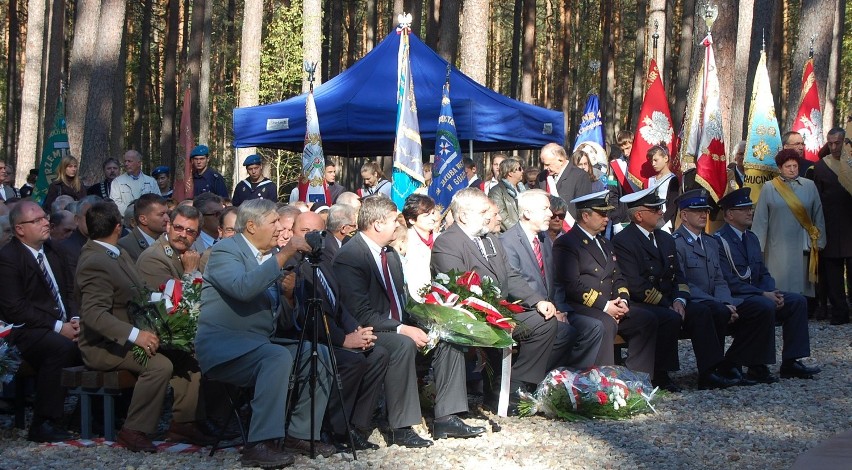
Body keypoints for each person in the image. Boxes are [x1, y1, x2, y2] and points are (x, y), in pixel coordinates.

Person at [196, 199, 335, 466]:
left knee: (317, 353)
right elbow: (243, 288)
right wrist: (285, 255)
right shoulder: (225, 251)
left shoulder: (271, 258)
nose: (280, 228)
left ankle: (300, 433)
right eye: (273, 222)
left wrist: (289, 296)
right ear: (251, 226)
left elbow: (281, 320)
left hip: (260, 343)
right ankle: (259, 444)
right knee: (276, 358)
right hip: (224, 347)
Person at [335, 196, 482, 446]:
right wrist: (404, 329)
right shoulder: (351, 256)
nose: (398, 225)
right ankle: (400, 426)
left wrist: (432, 320)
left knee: (447, 335)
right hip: (368, 331)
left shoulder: (390, 254)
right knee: (402, 344)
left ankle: (446, 416)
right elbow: (360, 312)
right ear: (378, 224)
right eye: (394, 220)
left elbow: (403, 302)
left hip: (395, 324)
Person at [76, 202, 213, 452]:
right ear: (119, 227)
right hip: (104, 344)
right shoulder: (95, 260)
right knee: (160, 365)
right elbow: (94, 314)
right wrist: (136, 335)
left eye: (190, 231)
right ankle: (134, 430)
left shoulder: (116, 253)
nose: (183, 235)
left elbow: (142, 293)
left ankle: (183, 422)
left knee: (187, 358)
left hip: (137, 332)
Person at [431, 188, 559, 414]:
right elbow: (459, 287)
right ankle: (496, 393)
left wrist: (537, 301)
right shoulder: (448, 242)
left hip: (500, 311)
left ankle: (514, 389)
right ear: (463, 216)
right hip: (471, 315)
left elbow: (510, 274)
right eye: (482, 212)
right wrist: (492, 313)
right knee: (498, 331)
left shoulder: (490, 239)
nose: (489, 217)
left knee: (545, 323)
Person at [613, 185, 740, 390]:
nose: (661, 212)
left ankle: (710, 371)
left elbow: (678, 276)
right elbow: (635, 283)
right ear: (638, 215)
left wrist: (679, 300)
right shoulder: (624, 240)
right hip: (644, 302)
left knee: (707, 310)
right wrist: (666, 304)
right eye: (655, 210)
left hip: (669, 300)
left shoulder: (664, 238)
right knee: (668, 318)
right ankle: (662, 375)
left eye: (660, 208)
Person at [282, 211, 388, 450]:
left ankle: (355, 425)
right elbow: (305, 317)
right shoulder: (291, 266)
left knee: (378, 353)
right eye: (304, 232)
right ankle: (333, 428)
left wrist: (358, 330)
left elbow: (338, 305)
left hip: (331, 332)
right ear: (292, 234)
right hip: (306, 339)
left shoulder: (322, 263)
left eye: (318, 233)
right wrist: (343, 340)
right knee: (351, 361)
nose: (311, 238)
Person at [673, 189, 779, 384]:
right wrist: (721, 304)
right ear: (684, 216)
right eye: (697, 211)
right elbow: (684, 283)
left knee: (761, 308)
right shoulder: (677, 243)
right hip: (696, 301)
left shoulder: (710, 242)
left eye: (705, 210)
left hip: (719, 300)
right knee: (715, 311)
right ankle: (714, 371)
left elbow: (720, 279)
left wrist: (726, 301)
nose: (704, 215)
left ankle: (735, 362)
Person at [714, 188, 821, 379]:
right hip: (737, 297)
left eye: (750, 208)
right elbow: (727, 280)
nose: (750, 212)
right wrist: (763, 294)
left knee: (797, 301)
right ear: (729, 214)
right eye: (744, 209)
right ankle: (756, 364)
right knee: (764, 305)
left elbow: (762, 272)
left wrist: (772, 291)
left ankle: (791, 361)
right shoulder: (719, 241)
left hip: (760, 293)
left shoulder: (752, 238)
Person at [553, 189, 660, 379]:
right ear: (585, 215)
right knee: (605, 323)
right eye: (601, 213)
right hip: (582, 307)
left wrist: (623, 301)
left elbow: (618, 277)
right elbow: (572, 284)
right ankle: (604, 382)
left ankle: (637, 379)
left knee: (647, 319)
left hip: (611, 304)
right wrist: (605, 306)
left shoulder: (605, 243)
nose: (607, 218)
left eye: (607, 213)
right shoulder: (568, 243)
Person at [0, 201, 83, 442]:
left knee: (100, 340)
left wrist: (75, 319)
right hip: (23, 331)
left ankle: (93, 415)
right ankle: (43, 422)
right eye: (36, 220)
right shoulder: (8, 258)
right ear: (20, 229)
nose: (46, 222)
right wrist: (59, 327)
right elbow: (16, 308)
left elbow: (70, 289)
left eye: (44, 217)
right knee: (59, 347)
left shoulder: (54, 249)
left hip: (62, 323)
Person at [501, 189, 603, 371]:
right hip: (526, 310)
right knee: (566, 332)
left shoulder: (543, 238)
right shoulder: (508, 241)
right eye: (545, 209)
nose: (550, 214)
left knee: (593, 327)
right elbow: (515, 283)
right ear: (527, 213)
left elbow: (556, 281)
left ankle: (570, 379)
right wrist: (545, 307)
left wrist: (561, 308)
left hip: (552, 308)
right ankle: (529, 380)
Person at [752, 149, 826, 299]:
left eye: (795, 166)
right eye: (788, 166)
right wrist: (756, 248)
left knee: (801, 283)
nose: (792, 169)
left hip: (802, 244)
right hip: (776, 245)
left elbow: (818, 215)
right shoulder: (769, 187)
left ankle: (802, 310)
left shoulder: (810, 186)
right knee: (778, 282)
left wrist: (819, 241)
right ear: (780, 168)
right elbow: (761, 220)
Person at [812, 127, 852, 324]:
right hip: (829, 225)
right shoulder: (820, 167)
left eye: (838, 143)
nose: (834, 147)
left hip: (850, 226)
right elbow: (816, 198)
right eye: (831, 143)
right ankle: (839, 312)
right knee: (833, 275)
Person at [136, 205, 202, 290]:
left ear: (197, 235)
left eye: (190, 231)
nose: (183, 235)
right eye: (178, 228)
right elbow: (176, 300)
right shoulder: (152, 258)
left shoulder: (191, 255)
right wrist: (190, 272)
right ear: (168, 226)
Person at [538, 143, 593, 222]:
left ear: (560, 160)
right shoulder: (542, 177)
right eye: (543, 164)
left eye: (548, 164)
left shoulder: (580, 176)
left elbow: (584, 209)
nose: (545, 168)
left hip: (570, 229)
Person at [402, 194, 439, 300]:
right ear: (412, 220)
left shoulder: (441, 238)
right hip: (416, 300)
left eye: (432, 213)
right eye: (426, 215)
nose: (433, 218)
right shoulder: (405, 242)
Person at [117, 193, 170, 262]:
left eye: (168, 214)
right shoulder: (125, 246)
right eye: (161, 214)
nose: (167, 219)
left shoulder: (168, 239)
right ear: (143, 219)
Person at [645, 146, 680, 232]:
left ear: (665, 158)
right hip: (649, 222)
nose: (653, 164)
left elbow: (673, 205)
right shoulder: (650, 180)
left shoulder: (672, 179)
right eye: (651, 161)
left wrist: (661, 222)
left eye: (656, 160)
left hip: (665, 224)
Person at [488, 157, 525, 232]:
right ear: (510, 173)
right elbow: (501, 216)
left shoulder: (523, 190)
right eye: (520, 169)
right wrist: (520, 231)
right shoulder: (496, 191)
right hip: (508, 236)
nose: (523, 171)